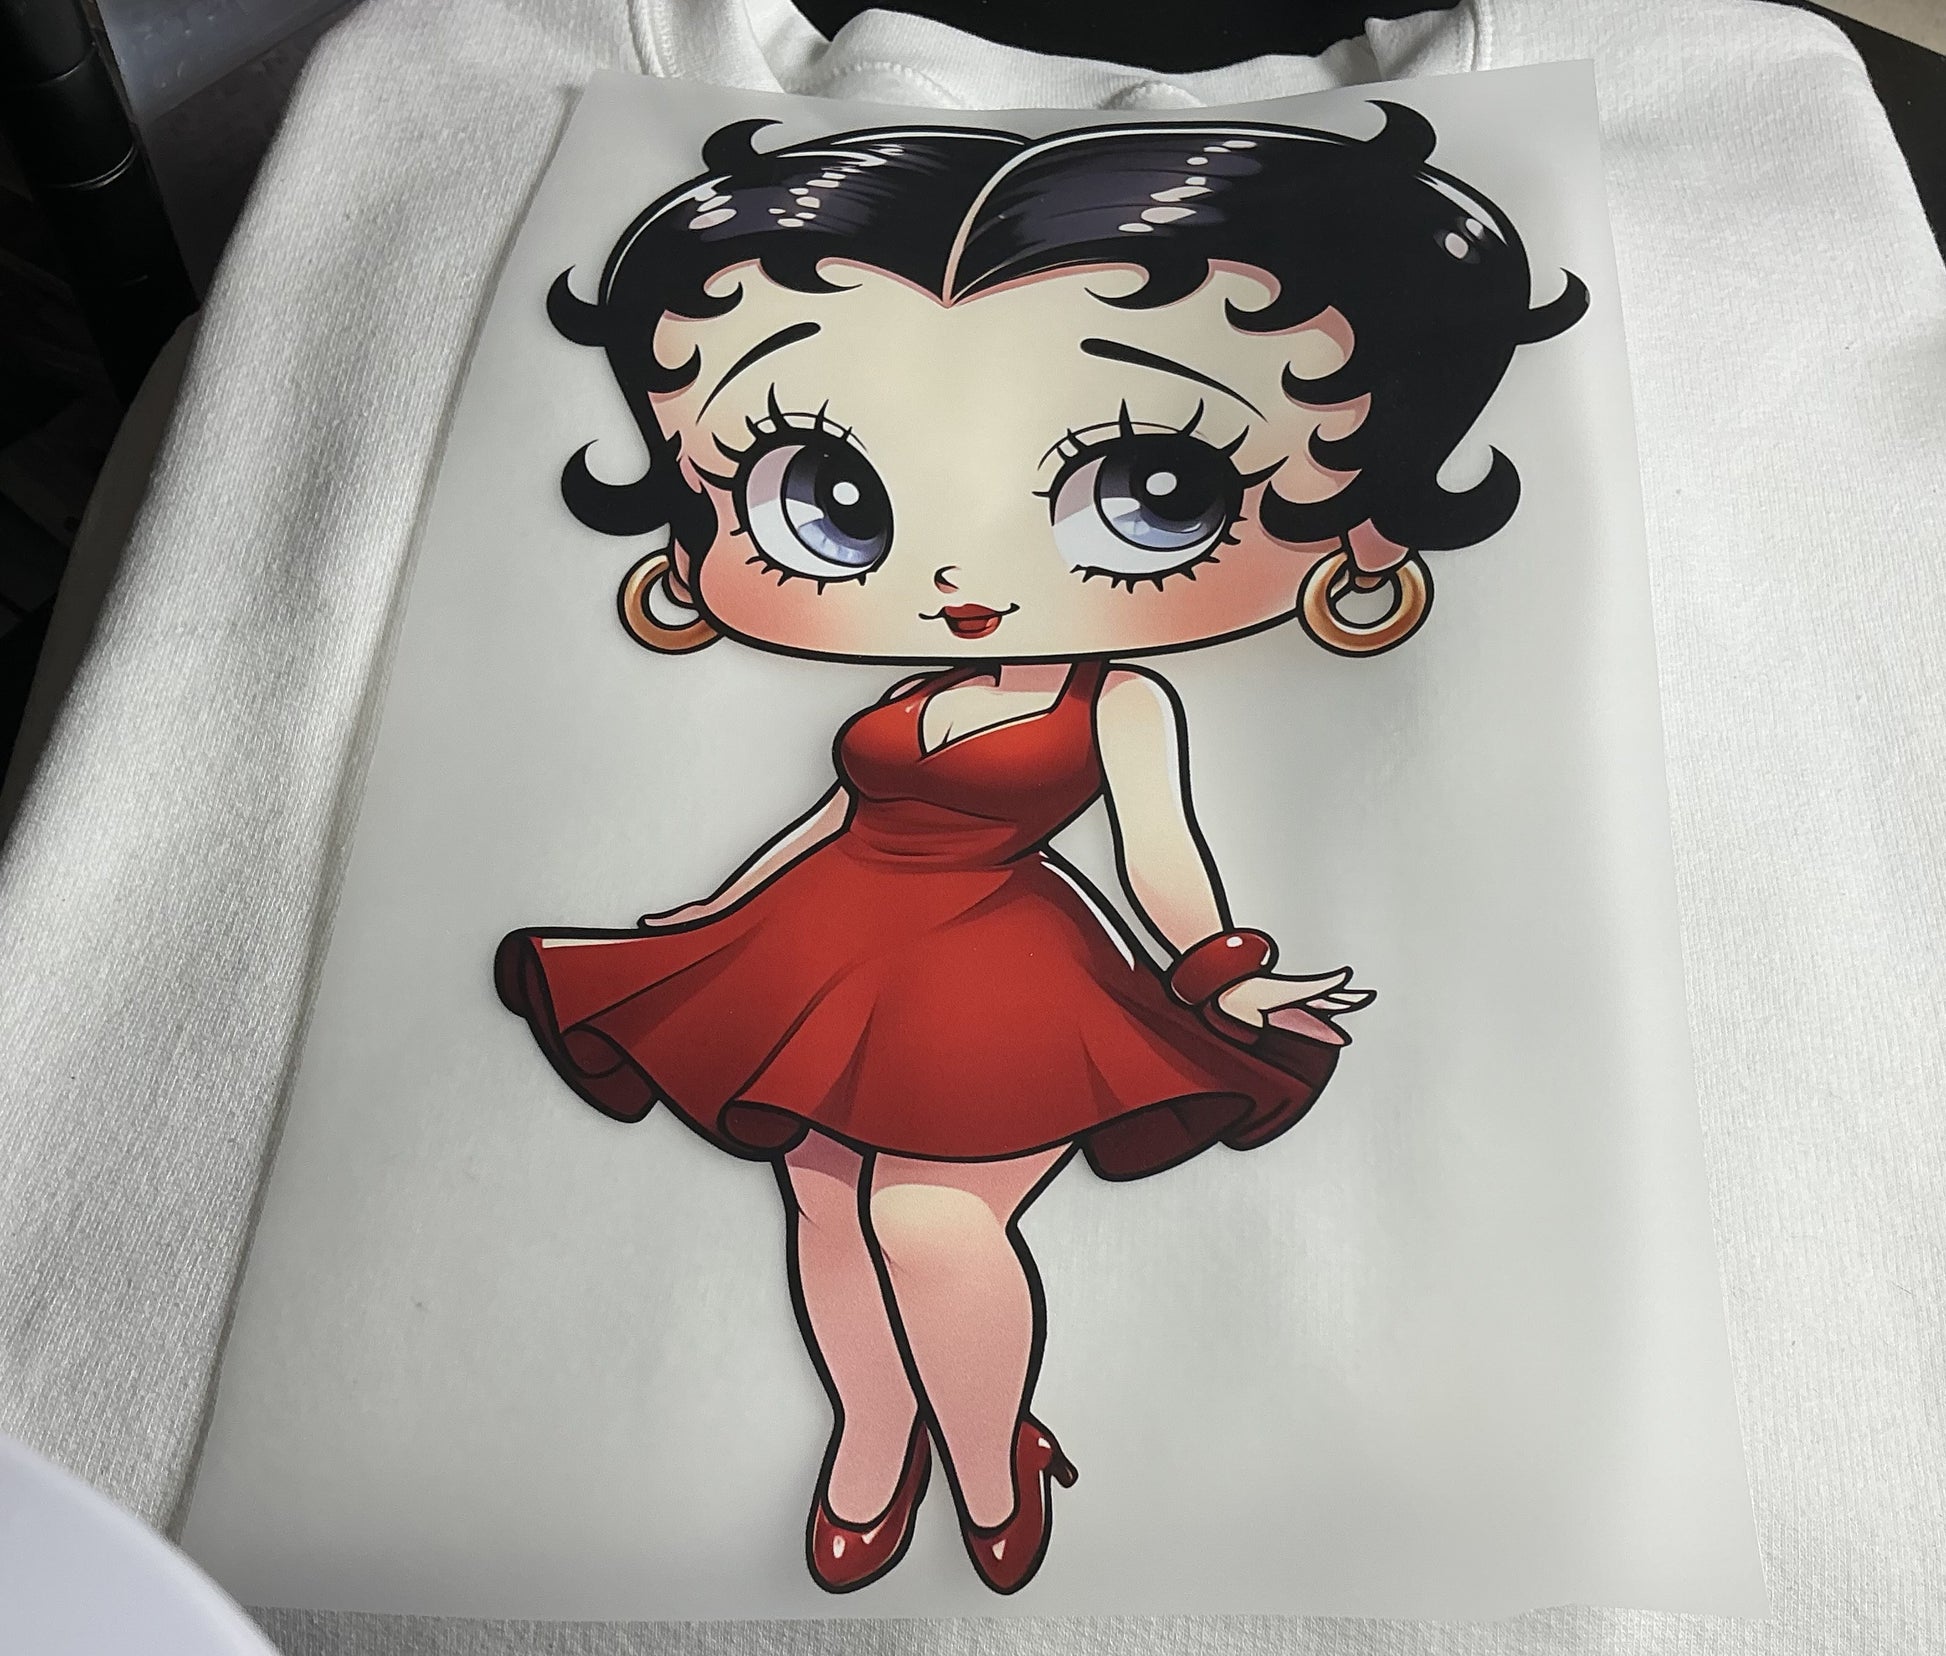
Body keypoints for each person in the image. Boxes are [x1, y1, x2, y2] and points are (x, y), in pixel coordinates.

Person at [493, 106, 1584, 1595]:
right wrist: (703, 919)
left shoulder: (1113, 697)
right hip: (821, 948)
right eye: (825, 493)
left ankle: (993, 1452)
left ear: (1359, 527)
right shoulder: (905, 695)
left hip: (993, 970)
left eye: (1156, 490)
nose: (957, 574)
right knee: (823, 1198)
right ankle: (872, 1438)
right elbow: (828, 820)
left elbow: (1160, 857)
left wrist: (1223, 975)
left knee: (929, 1214)